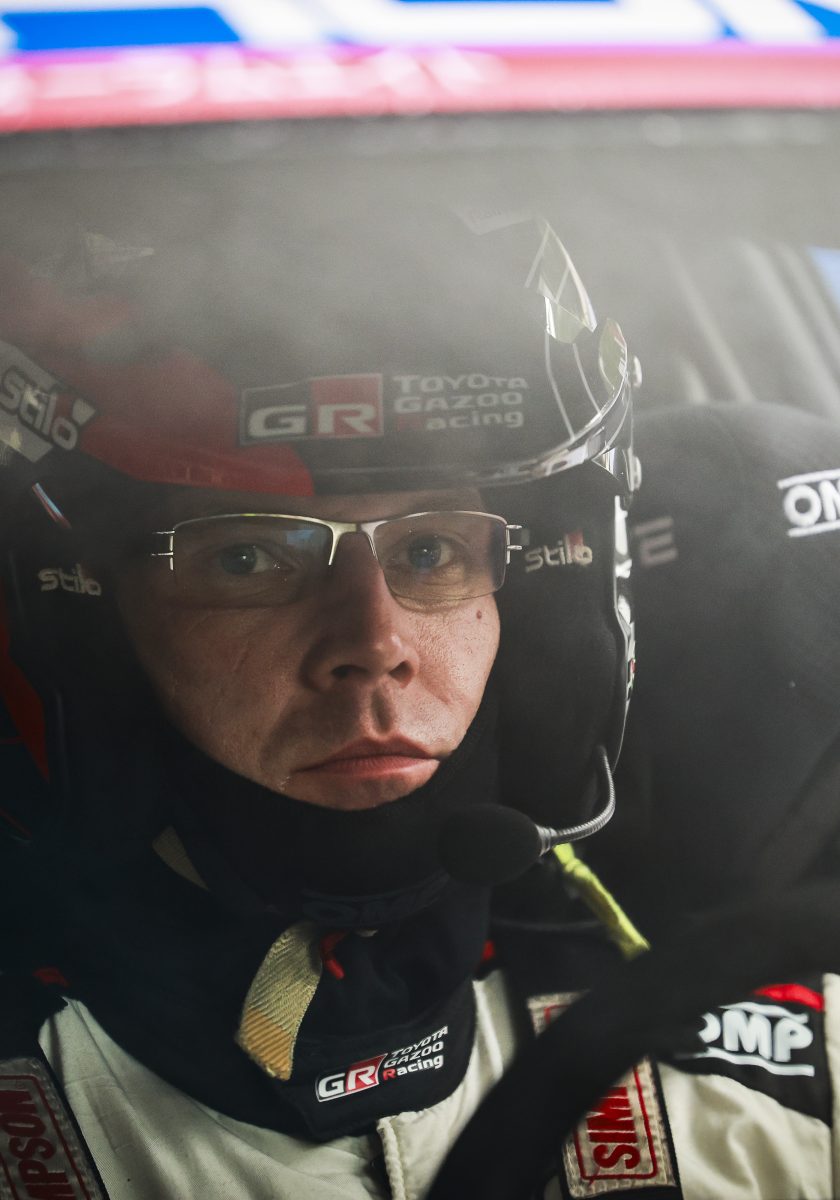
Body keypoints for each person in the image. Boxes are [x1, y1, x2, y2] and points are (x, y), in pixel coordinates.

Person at [0, 196, 835, 1200]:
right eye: (249, 556)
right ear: (85, 618)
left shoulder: (766, 1067)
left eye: (431, 550)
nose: (374, 646)